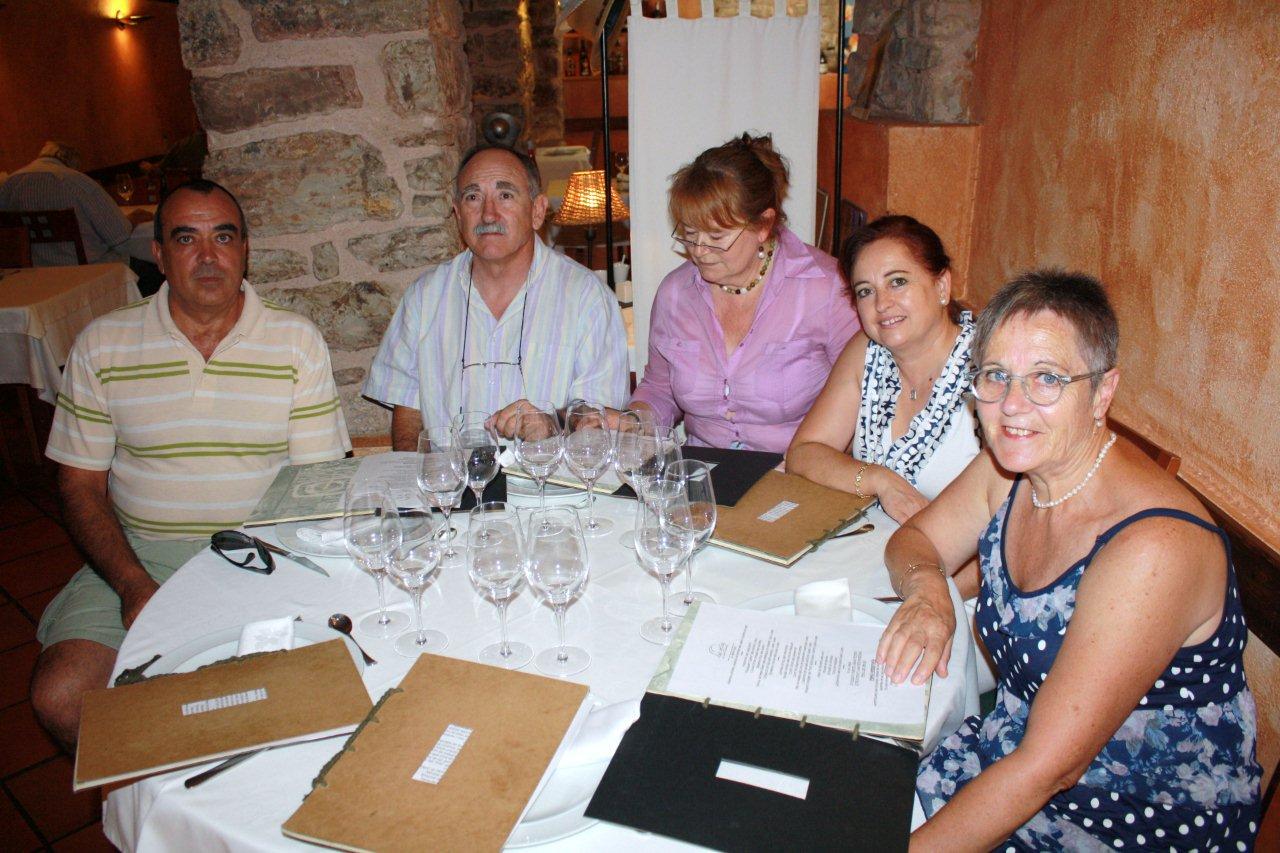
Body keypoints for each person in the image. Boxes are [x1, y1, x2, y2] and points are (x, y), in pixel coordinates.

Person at [877, 271, 1260, 849]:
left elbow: (1048, 769)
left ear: (1103, 392)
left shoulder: (1154, 548)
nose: (1012, 404)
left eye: (1047, 378)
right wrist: (930, 591)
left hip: (1125, 816)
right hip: (1007, 754)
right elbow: (912, 542)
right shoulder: (1011, 471)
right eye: (996, 375)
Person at [30, 180, 351, 750]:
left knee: (292, 695)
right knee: (63, 695)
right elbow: (79, 486)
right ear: (159, 254)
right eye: (186, 239)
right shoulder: (102, 345)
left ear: (244, 250)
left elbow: (313, 489)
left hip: (260, 553)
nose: (208, 256)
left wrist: (273, 582)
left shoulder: (294, 342)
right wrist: (133, 585)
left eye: (223, 237)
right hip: (138, 552)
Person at [364, 143, 628, 446]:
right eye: (473, 197)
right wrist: (416, 471)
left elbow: (598, 420)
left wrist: (550, 424)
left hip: (549, 474)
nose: (488, 214)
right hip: (449, 474)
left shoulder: (587, 298)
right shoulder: (424, 297)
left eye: (505, 195)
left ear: (537, 211)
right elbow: (407, 409)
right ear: (458, 215)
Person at [626, 133, 859, 454]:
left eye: (716, 237)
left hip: (793, 470)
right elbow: (660, 388)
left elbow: (863, 403)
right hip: (703, 468)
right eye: (690, 234)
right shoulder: (675, 293)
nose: (699, 251)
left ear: (763, 225)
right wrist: (633, 421)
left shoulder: (826, 288)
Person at [787, 215, 978, 522]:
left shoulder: (988, 366)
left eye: (897, 282)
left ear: (942, 285)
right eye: (865, 291)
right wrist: (879, 480)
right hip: (871, 543)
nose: (881, 303)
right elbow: (804, 452)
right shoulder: (866, 351)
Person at [0, 141, 144, 266]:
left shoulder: (8, 184)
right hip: (90, 270)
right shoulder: (77, 182)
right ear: (71, 161)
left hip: (36, 273)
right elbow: (120, 237)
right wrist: (132, 220)